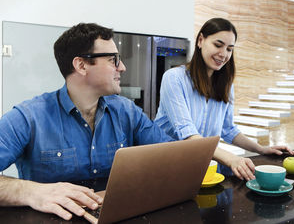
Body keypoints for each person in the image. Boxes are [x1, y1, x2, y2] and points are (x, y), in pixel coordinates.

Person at [0, 23, 174, 220]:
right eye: (113, 60)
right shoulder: (28, 117)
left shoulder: (127, 111)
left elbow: (173, 157)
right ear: (81, 65)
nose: (122, 67)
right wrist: (30, 191)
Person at [155, 18, 294, 181]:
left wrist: (262, 149)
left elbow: (228, 129)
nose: (223, 54)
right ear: (201, 40)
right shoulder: (174, 78)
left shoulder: (226, 85)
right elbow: (188, 134)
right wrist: (231, 159)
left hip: (204, 167)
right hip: (169, 166)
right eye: (218, 45)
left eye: (229, 49)